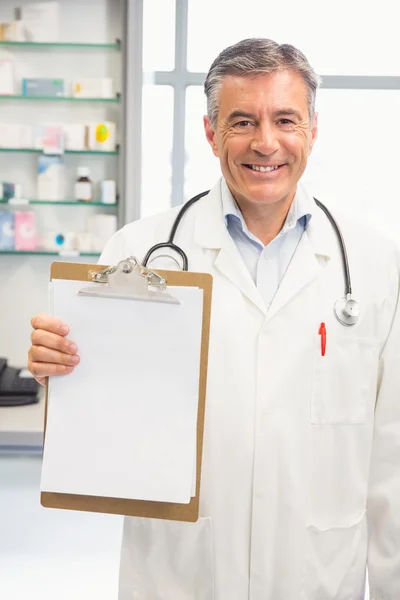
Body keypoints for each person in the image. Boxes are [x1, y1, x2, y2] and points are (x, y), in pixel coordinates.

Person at [28, 38, 400, 600]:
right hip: (180, 575)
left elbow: (392, 464)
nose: (266, 143)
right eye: (242, 121)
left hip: (318, 575)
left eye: (285, 120)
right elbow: (101, 428)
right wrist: (62, 373)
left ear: (313, 131)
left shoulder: (375, 267)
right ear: (210, 133)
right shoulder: (139, 253)